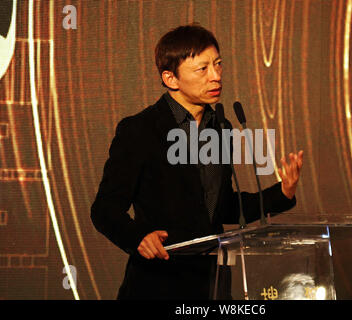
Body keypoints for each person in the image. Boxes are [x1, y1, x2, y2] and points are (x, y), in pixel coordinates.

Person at [90, 24, 304, 300]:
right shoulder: (140, 130)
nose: (215, 76)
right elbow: (104, 209)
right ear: (171, 79)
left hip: (211, 286)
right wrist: (138, 238)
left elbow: (222, 207)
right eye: (202, 69)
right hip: (157, 284)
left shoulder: (221, 128)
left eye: (218, 65)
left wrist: (282, 193)